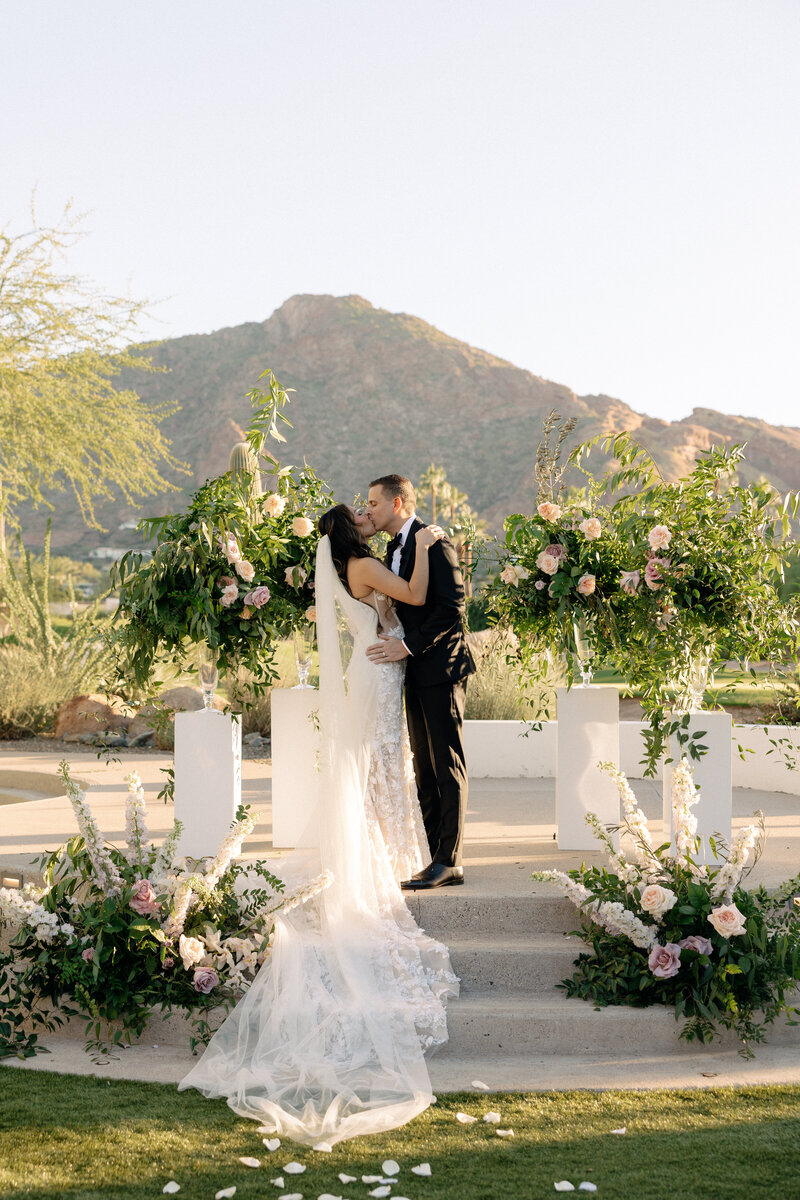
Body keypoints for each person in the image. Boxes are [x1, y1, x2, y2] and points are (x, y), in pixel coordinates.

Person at [179, 505, 458, 1146]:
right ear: (351, 533)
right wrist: (426, 544)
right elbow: (416, 595)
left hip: (375, 666)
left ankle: (390, 848)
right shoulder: (365, 565)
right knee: (378, 762)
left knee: (380, 764)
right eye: (359, 514)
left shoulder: (344, 567)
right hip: (379, 672)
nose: (366, 515)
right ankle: (382, 852)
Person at [365, 475, 475, 889]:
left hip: (442, 669)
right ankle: (431, 855)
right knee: (423, 767)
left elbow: (452, 608)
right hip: (412, 670)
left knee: (447, 764)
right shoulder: (394, 548)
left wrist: (407, 646)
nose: (369, 509)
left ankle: (450, 861)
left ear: (396, 504)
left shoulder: (436, 543)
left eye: (374, 503)